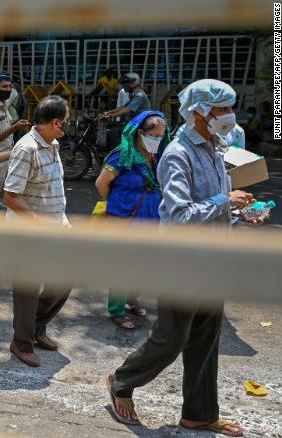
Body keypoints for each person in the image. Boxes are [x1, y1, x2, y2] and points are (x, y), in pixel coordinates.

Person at [106, 80, 257, 437]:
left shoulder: (215, 149)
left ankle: (199, 414)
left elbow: (215, 207)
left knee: (206, 339)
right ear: (199, 112)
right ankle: (121, 381)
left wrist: (240, 212)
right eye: (222, 109)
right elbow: (179, 215)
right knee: (171, 338)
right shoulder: (178, 154)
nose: (229, 115)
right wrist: (225, 201)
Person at [4, 95, 72, 368]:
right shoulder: (27, 148)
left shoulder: (52, 144)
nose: (68, 124)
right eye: (66, 120)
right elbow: (10, 196)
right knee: (27, 289)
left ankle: (35, 326)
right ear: (56, 122)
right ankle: (21, 342)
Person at [95, 111, 169, 329]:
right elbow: (101, 184)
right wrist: (118, 204)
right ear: (140, 133)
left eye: (161, 136)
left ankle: (132, 297)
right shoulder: (122, 155)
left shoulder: (159, 156)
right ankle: (117, 310)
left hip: (151, 218)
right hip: (124, 219)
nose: (158, 140)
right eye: (153, 135)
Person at [0, 72, 31, 208]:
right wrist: (14, 128)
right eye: (4, 87)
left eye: (10, 86)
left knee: (13, 193)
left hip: (9, 155)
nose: (8, 90)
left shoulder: (4, 103)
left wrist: (15, 126)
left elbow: (4, 127)